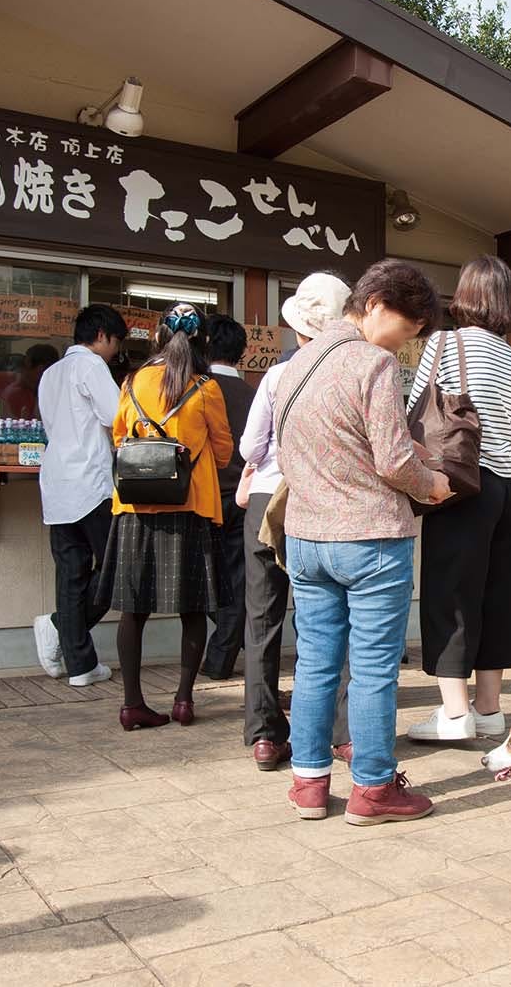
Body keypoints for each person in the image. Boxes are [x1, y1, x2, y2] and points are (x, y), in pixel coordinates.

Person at [277, 259, 451, 825]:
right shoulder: (372, 364)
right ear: (375, 304)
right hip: (371, 537)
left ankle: (308, 783)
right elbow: (394, 461)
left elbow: (317, 447)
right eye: (406, 330)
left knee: (315, 665)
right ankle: (374, 788)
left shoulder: (296, 363)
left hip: (306, 536)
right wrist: (433, 484)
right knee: (374, 668)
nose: (404, 346)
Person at [96, 303, 235, 731]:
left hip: (136, 508)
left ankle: (132, 704)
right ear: (202, 343)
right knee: (193, 607)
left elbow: (120, 435)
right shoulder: (205, 387)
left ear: (157, 337)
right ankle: (183, 699)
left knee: (132, 611)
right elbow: (225, 450)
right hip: (190, 507)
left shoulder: (133, 381)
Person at [405, 255, 511, 741]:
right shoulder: (510, 355)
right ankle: (490, 709)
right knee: (497, 596)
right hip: (508, 489)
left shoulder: (443, 343)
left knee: (451, 595)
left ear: (466, 296)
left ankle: (454, 716)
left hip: (461, 485)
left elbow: (417, 409)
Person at [236, 273, 354, 770]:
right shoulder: (350, 370)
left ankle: (265, 733)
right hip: (322, 502)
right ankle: (341, 732)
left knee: (262, 619)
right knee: (329, 621)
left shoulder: (276, 376)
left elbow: (249, 448)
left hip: (267, 498)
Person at [33, 305, 126, 687]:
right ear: (102, 335)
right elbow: (116, 417)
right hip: (90, 481)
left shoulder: (50, 373)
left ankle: (80, 664)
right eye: (116, 343)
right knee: (115, 570)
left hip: (56, 481)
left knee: (71, 574)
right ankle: (59, 627)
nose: (115, 352)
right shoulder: (90, 366)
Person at [200, 314, 254, 681]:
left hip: (202, 498)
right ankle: (229, 644)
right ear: (241, 353)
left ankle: (221, 655)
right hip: (243, 497)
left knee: (202, 579)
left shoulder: (195, 389)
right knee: (236, 579)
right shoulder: (256, 393)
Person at [0, 343, 60, 418]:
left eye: (25, 366)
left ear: (40, 370)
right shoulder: (15, 394)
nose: (22, 371)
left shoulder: (56, 396)